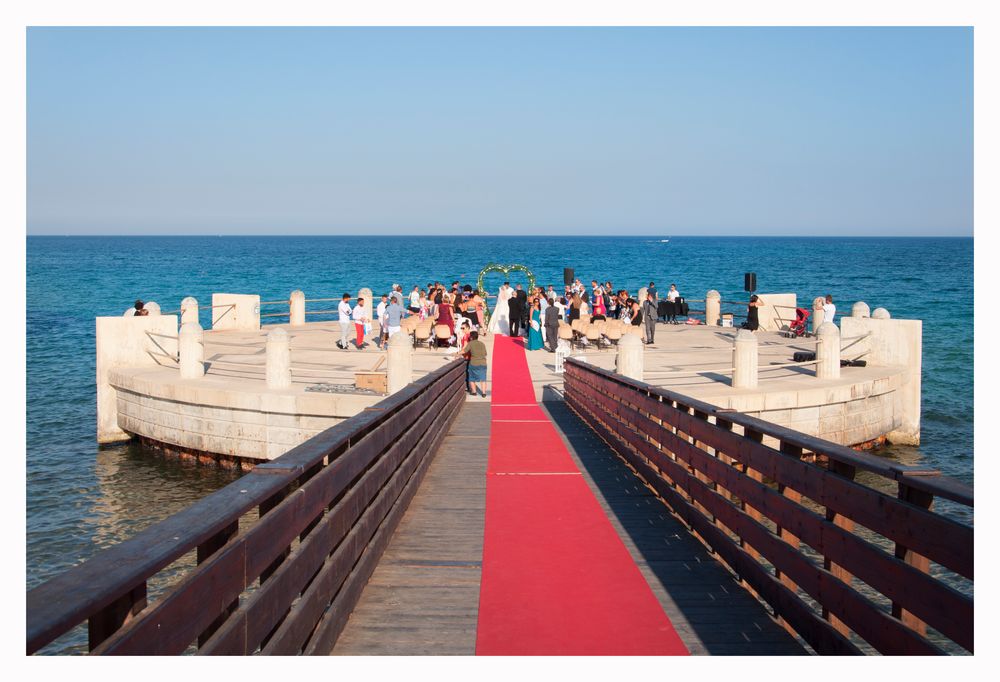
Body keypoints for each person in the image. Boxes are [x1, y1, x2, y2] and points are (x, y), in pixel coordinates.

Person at [462, 331, 488, 397]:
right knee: (483, 378)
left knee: (471, 378)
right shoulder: (482, 343)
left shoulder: (470, 343)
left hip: (474, 363)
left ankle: (474, 392)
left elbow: (464, 351)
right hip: (483, 363)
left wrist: (457, 353)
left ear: (471, 337)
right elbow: (485, 353)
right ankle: (484, 393)